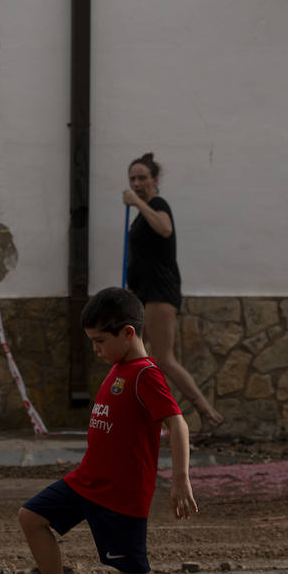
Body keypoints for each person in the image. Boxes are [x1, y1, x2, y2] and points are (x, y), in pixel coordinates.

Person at [9, 287, 203, 574]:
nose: (95, 349)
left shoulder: (146, 374)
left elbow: (177, 423)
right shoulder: (119, 369)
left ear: (127, 333)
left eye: (100, 341)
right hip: (86, 482)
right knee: (31, 517)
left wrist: (180, 479)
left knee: (133, 568)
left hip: (118, 496)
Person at [122, 153, 225, 431]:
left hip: (159, 292)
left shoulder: (156, 204)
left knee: (163, 358)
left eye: (142, 177)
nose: (137, 183)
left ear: (155, 179)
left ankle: (208, 413)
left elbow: (165, 229)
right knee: (137, 358)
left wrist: (138, 203)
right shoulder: (141, 216)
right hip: (142, 293)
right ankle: (147, 419)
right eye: (133, 179)